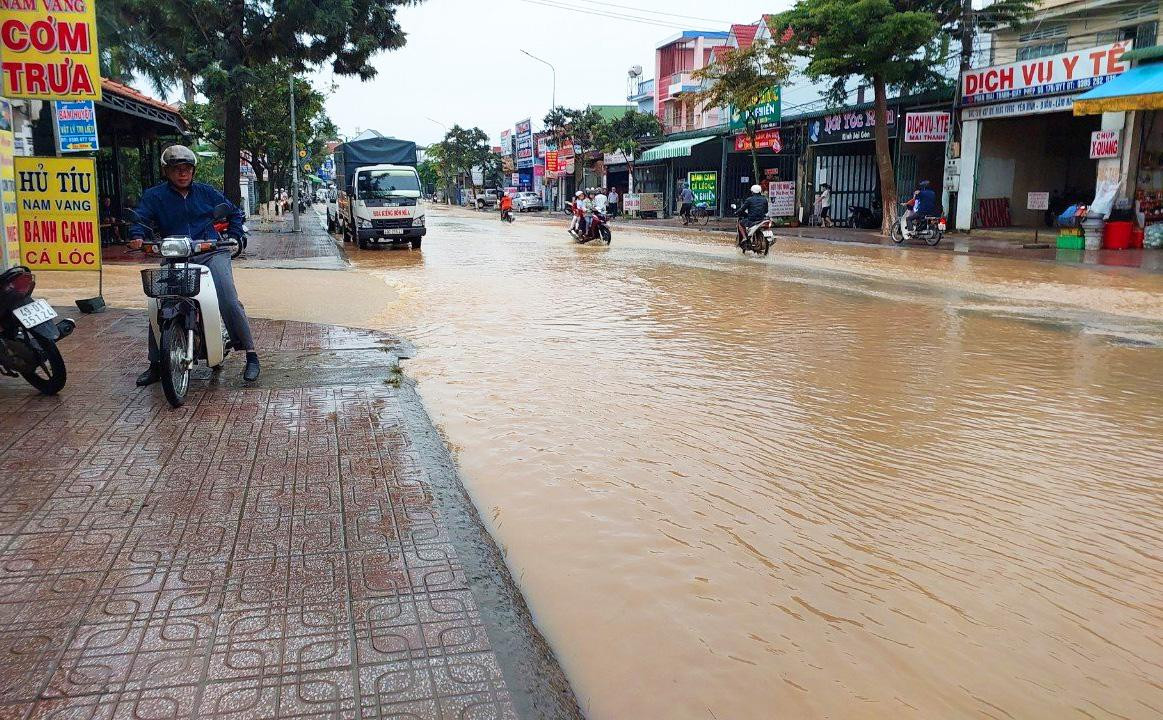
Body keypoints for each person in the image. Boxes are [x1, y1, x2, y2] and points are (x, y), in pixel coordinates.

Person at [128, 145, 261, 385]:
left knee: (228, 299)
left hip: (211, 252)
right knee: (158, 303)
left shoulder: (206, 193)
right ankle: (156, 363)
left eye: (187, 168)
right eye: (177, 169)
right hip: (174, 255)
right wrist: (137, 235)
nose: (182, 173)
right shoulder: (154, 196)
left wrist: (235, 233)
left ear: (193, 171)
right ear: (166, 171)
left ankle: (250, 354)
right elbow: (140, 218)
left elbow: (234, 213)